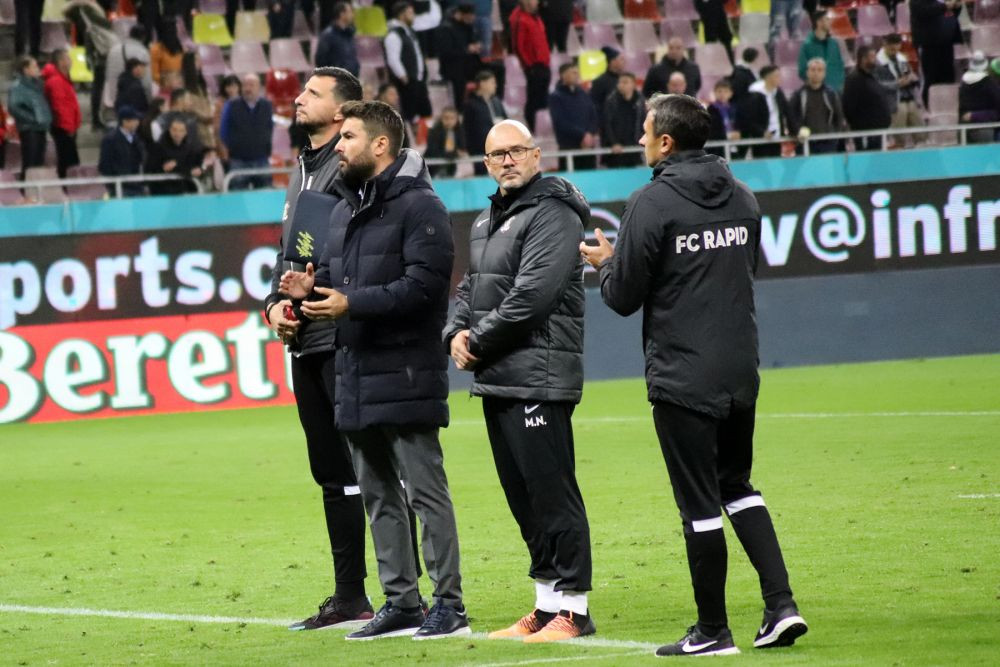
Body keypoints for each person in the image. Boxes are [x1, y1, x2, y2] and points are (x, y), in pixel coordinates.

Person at [579, 92, 808, 658]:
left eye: (645, 131)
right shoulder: (744, 197)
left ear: (666, 142)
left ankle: (712, 631)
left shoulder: (651, 203)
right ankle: (781, 605)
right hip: (739, 367)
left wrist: (606, 262)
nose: (638, 140)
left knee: (699, 505)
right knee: (738, 486)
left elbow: (625, 297)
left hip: (683, 373)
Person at [279, 100, 469, 641]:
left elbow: (426, 289)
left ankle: (449, 605)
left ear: (380, 145)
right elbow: (339, 278)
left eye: (349, 138)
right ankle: (401, 602)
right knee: (379, 493)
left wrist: (350, 304)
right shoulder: (343, 209)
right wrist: (308, 289)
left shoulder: (422, 207)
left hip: (405, 369)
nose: (338, 146)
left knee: (423, 492)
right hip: (355, 370)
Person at [444, 118, 595, 642]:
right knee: (522, 496)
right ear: (485, 164)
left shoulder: (554, 213)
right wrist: (453, 334)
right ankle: (546, 603)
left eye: (515, 151)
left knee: (553, 492)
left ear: (536, 155)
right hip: (499, 375)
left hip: (539, 374)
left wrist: (477, 340)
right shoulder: (487, 218)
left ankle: (574, 610)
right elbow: (469, 290)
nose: (506, 161)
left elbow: (534, 294)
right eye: (495, 155)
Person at [260, 66, 381, 632]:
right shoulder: (302, 171)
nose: (297, 97)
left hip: (347, 337)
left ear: (341, 112)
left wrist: (322, 292)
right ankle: (350, 596)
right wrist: (275, 306)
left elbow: (370, 247)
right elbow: (291, 258)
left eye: (311, 93)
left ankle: (412, 595)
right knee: (332, 475)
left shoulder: (355, 165)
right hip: (305, 339)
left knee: (378, 469)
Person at [220, 73, 274, 190]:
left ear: (259, 88)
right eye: (245, 85)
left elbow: (269, 128)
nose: (248, 88)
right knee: (237, 198)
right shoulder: (231, 105)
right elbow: (223, 132)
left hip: (261, 160)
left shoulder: (267, 106)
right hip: (238, 160)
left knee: (264, 196)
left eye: (251, 85)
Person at [384, 1, 433, 123]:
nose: (414, 16)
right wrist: (403, 76)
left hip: (418, 80)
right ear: (402, 15)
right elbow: (393, 58)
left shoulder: (410, 33)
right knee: (409, 115)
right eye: (410, 13)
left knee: (426, 112)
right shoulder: (394, 34)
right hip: (407, 82)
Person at [910, 0, 962, 105]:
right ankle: (929, 106)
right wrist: (945, 6)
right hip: (928, 45)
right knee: (930, 78)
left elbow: (953, 14)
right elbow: (923, 11)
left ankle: (947, 105)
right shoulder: (918, 2)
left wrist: (956, 6)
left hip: (947, 43)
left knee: (948, 77)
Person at [875, 33, 924, 146]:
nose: (894, 50)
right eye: (891, 47)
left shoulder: (901, 58)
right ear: (885, 44)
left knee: (920, 132)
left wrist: (912, 77)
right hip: (893, 101)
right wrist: (896, 84)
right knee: (899, 135)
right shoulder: (878, 63)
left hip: (909, 98)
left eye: (897, 47)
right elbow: (877, 85)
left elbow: (908, 73)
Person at [8, 56, 52, 180]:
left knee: (38, 162)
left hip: (40, 128)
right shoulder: (18, 87)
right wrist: (32, 119)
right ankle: (26, 191)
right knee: (30, 162)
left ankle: (36, 190)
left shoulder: (37, 85)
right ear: (26, 69)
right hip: (29, 130)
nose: (38, 69)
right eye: (34, 66)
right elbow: (13, 107)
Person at [788, 58, 845, 154]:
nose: (816, 73)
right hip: (805, 144)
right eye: (813, 70)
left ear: (824, 73)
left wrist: (834, 136)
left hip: (828, 144)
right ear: (807, 72)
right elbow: (791, 117)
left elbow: (838, 117)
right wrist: (798, 132)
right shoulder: (798, 94)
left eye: (819, 70)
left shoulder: (831, 94)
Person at [510, 0, 551, 132]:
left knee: (543, 99)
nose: (537, 2)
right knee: (534, 99)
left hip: (544, 63)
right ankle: (532, 127)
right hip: (534, 66)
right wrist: (529, 66)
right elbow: (518, 46)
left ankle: (542, 126)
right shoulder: (519, 19)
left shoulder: (536, 17)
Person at [548, 63, 598, 170]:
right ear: (563, 75)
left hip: (588, 147)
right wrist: (582, 135)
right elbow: (560, 122)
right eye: (573, 72)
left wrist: (590, 133)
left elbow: (593, 116)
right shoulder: (556, 97)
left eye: (577, 72)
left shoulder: (584, 94)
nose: (577, 75)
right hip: (568, 147)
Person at [842, 46, 892, 151]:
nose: (875, 60)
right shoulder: (854, 79)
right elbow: (849, 106)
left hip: (878, 130)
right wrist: (859, 125)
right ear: (863, 59)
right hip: (865, 131)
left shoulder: (872, 76)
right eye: (872, 57)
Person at [41, 49, 82, 179]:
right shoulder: (56, 81)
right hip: (63, 128)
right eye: (67, 58)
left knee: (69, 161)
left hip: (68, 127)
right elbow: (60, 107)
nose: (70, 61)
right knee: (68, 162)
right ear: (61, 62)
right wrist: (68, 127)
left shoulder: (63, 79)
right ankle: (67, 188)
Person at [103, 25, 152, 126]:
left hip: (112, 96)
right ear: (143, 37)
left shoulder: (114, 49)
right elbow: (146, 81)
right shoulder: (142, 51)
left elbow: (107, 73)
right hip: (132, 100)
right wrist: (150, 101)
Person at [436, 3, 484, 109]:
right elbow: (446, 52)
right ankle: (461, 109)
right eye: (470, 16)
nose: (472, 19)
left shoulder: (468, 26)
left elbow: (472, 40)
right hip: (453, 66)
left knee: (497, 68)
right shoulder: (446, 28)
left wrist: (476, 45)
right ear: (461, 14)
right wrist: (466, 49)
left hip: (469, 64)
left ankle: (489, 102)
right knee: (459, 80)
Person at [739, 65, 790, 158]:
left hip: (776, 137)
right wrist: (762, 132)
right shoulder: (754, 95)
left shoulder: (778, 93)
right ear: (768, 77)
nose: (779, 79)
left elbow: (788, 112)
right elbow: (749, 119)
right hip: (760, 140)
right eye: (777, 76)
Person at [464, 70, 508, 174]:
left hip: (500, 147)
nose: (495, 86)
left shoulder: (496, 101)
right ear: (483, 83)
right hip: (480, 150)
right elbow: (468, 129)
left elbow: (506, 120)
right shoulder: (471, 104)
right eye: (492, 82)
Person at [145, 117, 204, 194]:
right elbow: (149, 169)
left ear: (185, 132)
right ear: (169, 130)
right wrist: (163, 169)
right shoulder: (158, 147)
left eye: (181, 131)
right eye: (174, 130)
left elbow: (194, 165)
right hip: (162, 191)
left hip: (182, 191)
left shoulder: (190, 149)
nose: (177, 134)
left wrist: (199, 170)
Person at [98, 105, 145, 197]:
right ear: (125, 122)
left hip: (136, 185)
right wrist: (112, 184)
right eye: (135, 120)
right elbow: (104, 164)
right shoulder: (110, 140)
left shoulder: (136, 138)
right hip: (119, 187)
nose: (138, 123)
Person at [602, 72, 645, 167]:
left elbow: (643, 122)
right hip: (616, 150)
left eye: (625, 82)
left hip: (635, 147)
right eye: (620, 82)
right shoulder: (611, 101)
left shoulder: (640, 101)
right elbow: (607, 124)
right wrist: (614, 143)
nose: (621, 85)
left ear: (633, 85)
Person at [798, 11, 845, 92]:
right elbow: (802, 70)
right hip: (816, 94)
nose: (830, 22)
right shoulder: (807, 45)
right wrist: (815, 84)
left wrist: (839, 83)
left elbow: (840, 65)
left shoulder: (834, 44)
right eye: (827, 19)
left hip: (835, 92)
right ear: (819, 22)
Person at [958, 52, 1000, 143]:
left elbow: (963, 114)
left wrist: (974, 116)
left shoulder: (963, 84)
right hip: (985, 128)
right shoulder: (990, 84)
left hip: (966, 128)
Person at [181, 51, 217, 151]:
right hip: (195, 128)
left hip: (208, 127)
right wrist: (205, 117)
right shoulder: (184, 84)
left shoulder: (201, 83)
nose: (200, 62)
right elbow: (188, 107)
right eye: (196, 60)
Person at [315, 2, 360, 76]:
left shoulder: (349, 34)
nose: (353, 15)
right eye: (350, 11)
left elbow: (352, 57)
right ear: (342, 14)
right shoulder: (328, 35)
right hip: (337, 81)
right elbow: (320, 61)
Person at [424, 106, 467, 177]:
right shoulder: (434, 132)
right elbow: (434, 152)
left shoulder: (459, 132)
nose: (449, 121)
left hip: (450, 169)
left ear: (456, 120)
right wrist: (455, 153)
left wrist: (455, 153)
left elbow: (462, 150)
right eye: (446, 118)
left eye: (452, 118)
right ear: (441, 119)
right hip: (433, 169)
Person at [590, 46, 624, 128]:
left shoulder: (624, 79)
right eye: (621, 59)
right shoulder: (600, 81)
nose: (623, 62)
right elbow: (595, 106)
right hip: (608, 126)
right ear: (612, 62)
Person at [707, 78, 741, 157]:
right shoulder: (711, 109)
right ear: (715, 93)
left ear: (731, 93)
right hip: (718, 149)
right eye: (719, 91)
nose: (722, 94)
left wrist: (738, 133)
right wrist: (728, 136)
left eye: (725, 91)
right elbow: (713, 131)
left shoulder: (734, 109)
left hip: (734, 147)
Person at [149, 21, 185, 88]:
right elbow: (154, 74)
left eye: (173, 31)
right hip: (165, 86)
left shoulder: (181, 48)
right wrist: (168, 81)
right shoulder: (156, 49)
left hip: (180, 84)